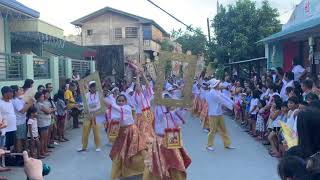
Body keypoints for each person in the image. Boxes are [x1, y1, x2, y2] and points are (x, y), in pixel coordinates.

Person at [143, 106, 192, 180]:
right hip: (160, 142)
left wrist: (182, 108)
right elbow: (159, 115)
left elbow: (178, 120)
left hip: (171, 140)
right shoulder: (158, 113)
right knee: (158, 162)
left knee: (175, 161)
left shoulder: (170, 114)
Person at [106, 94, 146, 180]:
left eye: (122, 101)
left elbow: (119, 110)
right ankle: (117, 173)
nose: (120, 102)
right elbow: (111, 118)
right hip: (120, 133)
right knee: (118, 154)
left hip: (131, 132)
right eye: (119, 101)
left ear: (126, 102)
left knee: (137, 152)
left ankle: (145, 170)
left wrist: (110, 104)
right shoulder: (114, 109)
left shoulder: (126, 108)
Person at [206, 78, 235, 151]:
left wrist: (233, 103)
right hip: (213, 114)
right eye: (218, 84)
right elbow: (222, 100)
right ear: (215, 85)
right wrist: (232, 106)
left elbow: (225, 97)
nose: (220, 85)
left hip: (219, 113)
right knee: (213, 130)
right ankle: (209, 145)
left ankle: (227, 144)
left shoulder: (217, 91)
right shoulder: (212, 93)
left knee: (223, 129)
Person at [78, 81, 102, 152]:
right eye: (92, 87)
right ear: (90, 88)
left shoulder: (99, 94)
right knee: (85, 130)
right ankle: (83, 146)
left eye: (95, 87)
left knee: (96, 131)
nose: (94, 88)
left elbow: (101, 104)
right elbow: (84, 104)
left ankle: (98, 146)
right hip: (88, 115)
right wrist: (81, 106)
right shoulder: (86, 95)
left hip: (97, 114)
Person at [11, 85, 34, 154]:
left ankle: (22, 154)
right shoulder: (15, 101)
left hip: (20, 122)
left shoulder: (18, 99)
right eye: (20, 90)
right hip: (19, 123)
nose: (22, 91)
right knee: (19, 139)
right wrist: (30, 103)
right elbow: (22, 111)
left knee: (21, 138)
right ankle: (19, 155)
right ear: (15, 92)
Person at [35, 92, 54, 157]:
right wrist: (51, 110)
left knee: (44, 138)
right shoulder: (40, 104)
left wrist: (50, 110)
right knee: (43, 138)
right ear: (38, 98)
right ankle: (42, 152)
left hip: (44, 122)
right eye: (42, 96)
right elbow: (48, 111)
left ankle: (44, 150)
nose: (43, 98)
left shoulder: (39, 104)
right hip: (43, 123)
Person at [0, 86, 16, 151]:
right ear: (5, 93)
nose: (12, 94)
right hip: (4, 130)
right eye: (11, 92)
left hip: (13, 128)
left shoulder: (11, 101)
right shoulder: (0, 103)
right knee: (4, 146)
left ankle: (9, 159)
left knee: (11, 145)